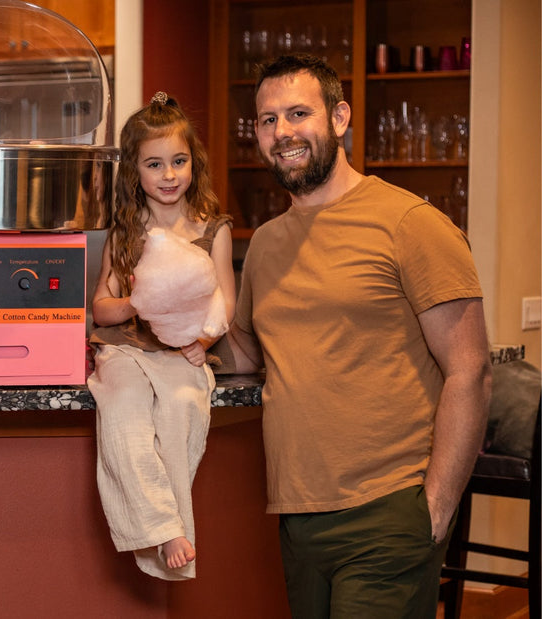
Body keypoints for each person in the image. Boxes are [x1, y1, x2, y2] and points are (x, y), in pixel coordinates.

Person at [227, 54, 492, 618]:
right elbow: (245, 352)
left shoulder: (409, 224)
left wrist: (435, 509)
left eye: (298, 113)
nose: (282, 132)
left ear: (340, 117)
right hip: (297, 515)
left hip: (388, 509)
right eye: (268, 119)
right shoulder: (266, 244)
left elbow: (471, 369)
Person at [88, 92, 235, 580]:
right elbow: (102, 306)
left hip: (181, 353)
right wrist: (137, 303)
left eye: (179, 161)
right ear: (135, 172)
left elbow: (225, 302)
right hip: (126, 349)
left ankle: (162, 526)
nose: (169, 175)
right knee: (123, 410)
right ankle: (167, 528)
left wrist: (205, 341)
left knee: (181, 410)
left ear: (194, 162)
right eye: (154, 164)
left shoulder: (213, 230)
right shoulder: (125, 233)